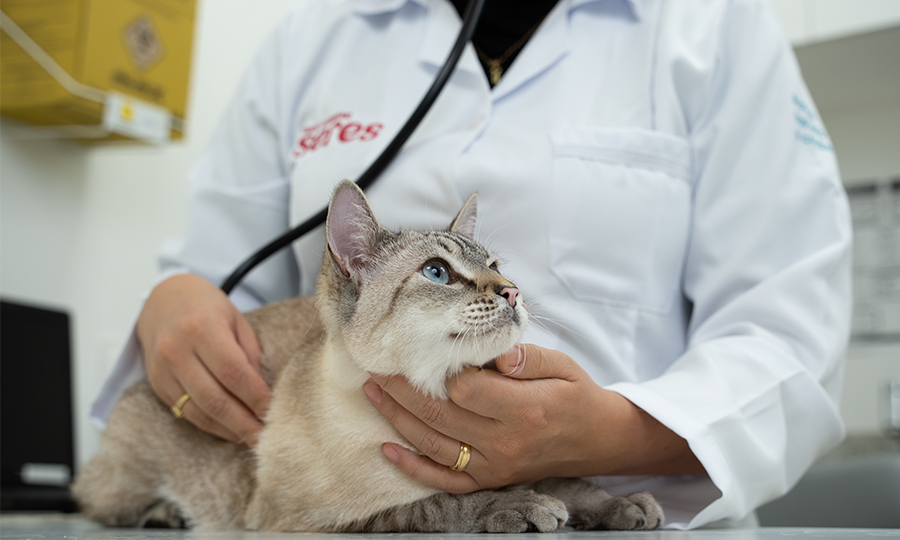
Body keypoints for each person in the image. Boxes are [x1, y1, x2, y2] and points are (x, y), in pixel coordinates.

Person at [91, 0, 852, 529]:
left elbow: (788, 342)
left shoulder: (713, 24)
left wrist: (615, 435)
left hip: (627, 515)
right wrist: (177, 299)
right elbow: (219, 287)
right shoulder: (313, 35)